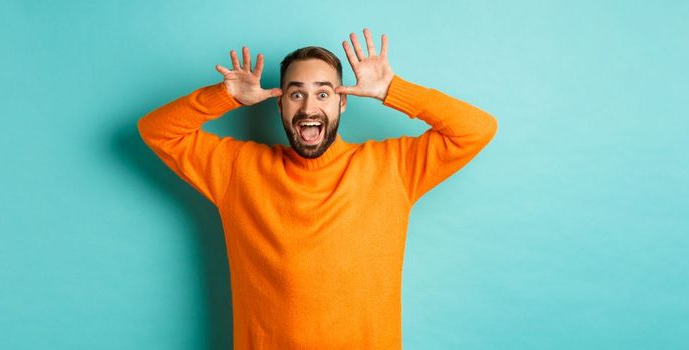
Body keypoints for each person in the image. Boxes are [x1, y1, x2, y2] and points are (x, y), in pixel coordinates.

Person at [138, 28, 497, 349]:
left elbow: (476, 129)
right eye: (296, 95)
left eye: (323, 95)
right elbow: (156, 130)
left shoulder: (393, 168)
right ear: (279, 103)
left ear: (343, 102)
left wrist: (393, 91)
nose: (309, 107)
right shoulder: (237, 169)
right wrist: (225, 95)